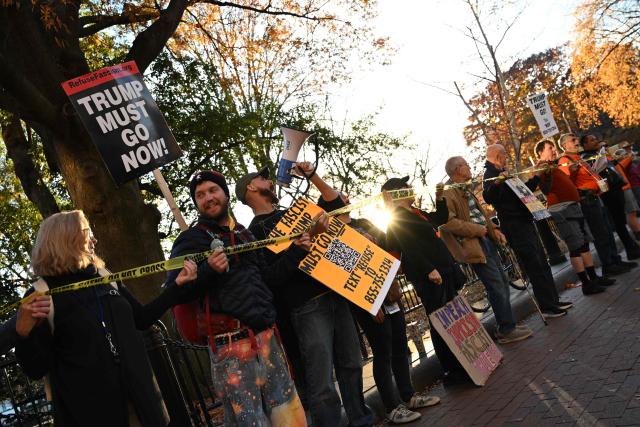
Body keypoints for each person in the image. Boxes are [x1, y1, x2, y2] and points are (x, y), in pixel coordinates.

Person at [16, 210, 198, 427]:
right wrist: (23, 333)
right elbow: (35, 368)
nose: (94, 239)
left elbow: (141, 319)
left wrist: (177, 287)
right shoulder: (41, 293)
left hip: (143, 404)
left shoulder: (105, 277)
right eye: (87, 232)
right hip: (92, 413)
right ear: (65, 238)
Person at [167, 170, 308, 426]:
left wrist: (296, 252)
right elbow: (174, 290)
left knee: (289, 417)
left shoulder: (245, 234)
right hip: (230, 349)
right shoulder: (190, 240)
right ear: (196, 203)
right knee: (250, 422)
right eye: (200, 195)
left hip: (267, 338)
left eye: (213, 190)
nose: (208, 198)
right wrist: (208, 271)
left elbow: (269, 278)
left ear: (225, 193)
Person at [237, 164, 373, 427]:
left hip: (336, 294)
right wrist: (300, 246)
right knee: (321, 379)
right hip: (306, 307)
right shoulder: (254, 234)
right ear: (251, 188)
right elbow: (270, 279)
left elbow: (335, 207)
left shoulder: (293, 213)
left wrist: (312, 176)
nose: (270, 181)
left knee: (352, 364)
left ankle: (362, 420)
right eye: (263, 178)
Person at [316, 187, 441, 424]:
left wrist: (389, 210)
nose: (346, 197)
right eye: (340, 197)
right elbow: (345, 274)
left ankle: (409, 395)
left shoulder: (363, 221)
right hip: (367, 300)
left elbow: (386, 245)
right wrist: (370, 305)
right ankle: (392, 407)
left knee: (400, 346)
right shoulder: (334, 233)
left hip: (388, 290)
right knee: (382, 352)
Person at [382, 176, 470, 386]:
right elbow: (409, 245)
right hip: (429, 276)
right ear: (397, 194)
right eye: (405, 187)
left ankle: (464, 362)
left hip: (443, 269)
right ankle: (452, 369)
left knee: (452, 317)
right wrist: (428, 268)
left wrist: (439, 197)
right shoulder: (398, 217)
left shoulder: (415, 212)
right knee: (440, 319)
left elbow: (439, 219)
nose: (411, 188)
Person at [440, 156, 533, 342]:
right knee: (496, 285)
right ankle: (506, 329)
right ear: (458, 169)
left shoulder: (465, 188)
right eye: (466, 164)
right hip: (474, 245)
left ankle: (508, 324)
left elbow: (479, 216)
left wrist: (494, 230)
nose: (469, 166)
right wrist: (478, 230)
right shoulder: (447, 193)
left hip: (486, 240)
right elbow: (446, 223)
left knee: (502, 282)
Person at [482, 144, 571, 319]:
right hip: (514, 225)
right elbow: (488, 196)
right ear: (498, 156)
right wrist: (498, 182)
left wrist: (536, 177)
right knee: (534, 265)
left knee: (542, 262)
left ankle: (553, 300)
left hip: (525, 220)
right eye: (505, 154)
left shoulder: (505, 171)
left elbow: (523, 192)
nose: (507, 157)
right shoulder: (490, 175)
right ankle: (547, 306)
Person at [534, 140, 613, 295]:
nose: (554, 151)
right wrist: (546, 172)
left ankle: (593, 278)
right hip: (562, 209)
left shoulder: (554, 165)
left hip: (573, 205)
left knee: (583, 242)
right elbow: (545, 189)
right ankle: (586, 284)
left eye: (554, 148)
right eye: (550, 148)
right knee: (575, 245)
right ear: (540, 153)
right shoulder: (541, 167)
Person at [557, 133, 636, 276]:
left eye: (576, 139)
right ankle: (608, 265)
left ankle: (615, 260)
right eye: (572, 140)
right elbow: (566, 181)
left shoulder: (578, 157)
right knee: (601, 233)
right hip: (587, 199)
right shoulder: (564, 159)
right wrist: (573, 173)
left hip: (597, 195)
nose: (576, 142)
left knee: (607, 230)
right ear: (564, 145)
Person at [579, 134, 640, 260]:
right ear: (585, 145)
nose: (595, 141)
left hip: (616, 188)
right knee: (618, 222)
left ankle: (631, 246)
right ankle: (630, 248)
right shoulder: (587, 157)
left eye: (595, 139)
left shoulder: (600, 153)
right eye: (592, 140)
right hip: (608, 192)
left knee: (621, 221)